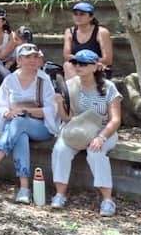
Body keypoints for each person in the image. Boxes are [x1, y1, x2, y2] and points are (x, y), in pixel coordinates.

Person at [0, 43, 58, 204]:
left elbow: (51, 109)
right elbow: (0, 105)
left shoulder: (44, 80)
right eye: (27, 57)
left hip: (40, 126)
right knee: (20, 135)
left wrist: (27, 110)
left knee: (20, 122)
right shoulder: (10, 80)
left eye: (35, 56)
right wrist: (7, 112)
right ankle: (24, 188)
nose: (32, 60)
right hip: (15, 126)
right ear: (19, 60)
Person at [51, 49, 123, 216]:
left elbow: (115, 120)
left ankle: (107, 200)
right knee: (60, 150)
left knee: (95, 152)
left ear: (95, 66)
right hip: (77, 128)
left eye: (83, 64)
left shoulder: (109, 87)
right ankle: (60, 194)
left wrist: (101, 137)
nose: (78, 66)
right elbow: (67, 118)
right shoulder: (70, 85)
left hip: (102, 129)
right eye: (75, 63)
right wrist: (60, 104)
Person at [63, 1, 113, 79]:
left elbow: (107, 60)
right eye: (75, 14)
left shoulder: (101, 32)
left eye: (82, 14)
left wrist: (87, 62)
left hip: (96, 67)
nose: (78, 17)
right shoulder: (69, 32)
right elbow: (67, 56)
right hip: (77, 67)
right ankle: (73, 90)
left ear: (91, 17)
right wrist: (81, 62)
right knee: (67, 65)